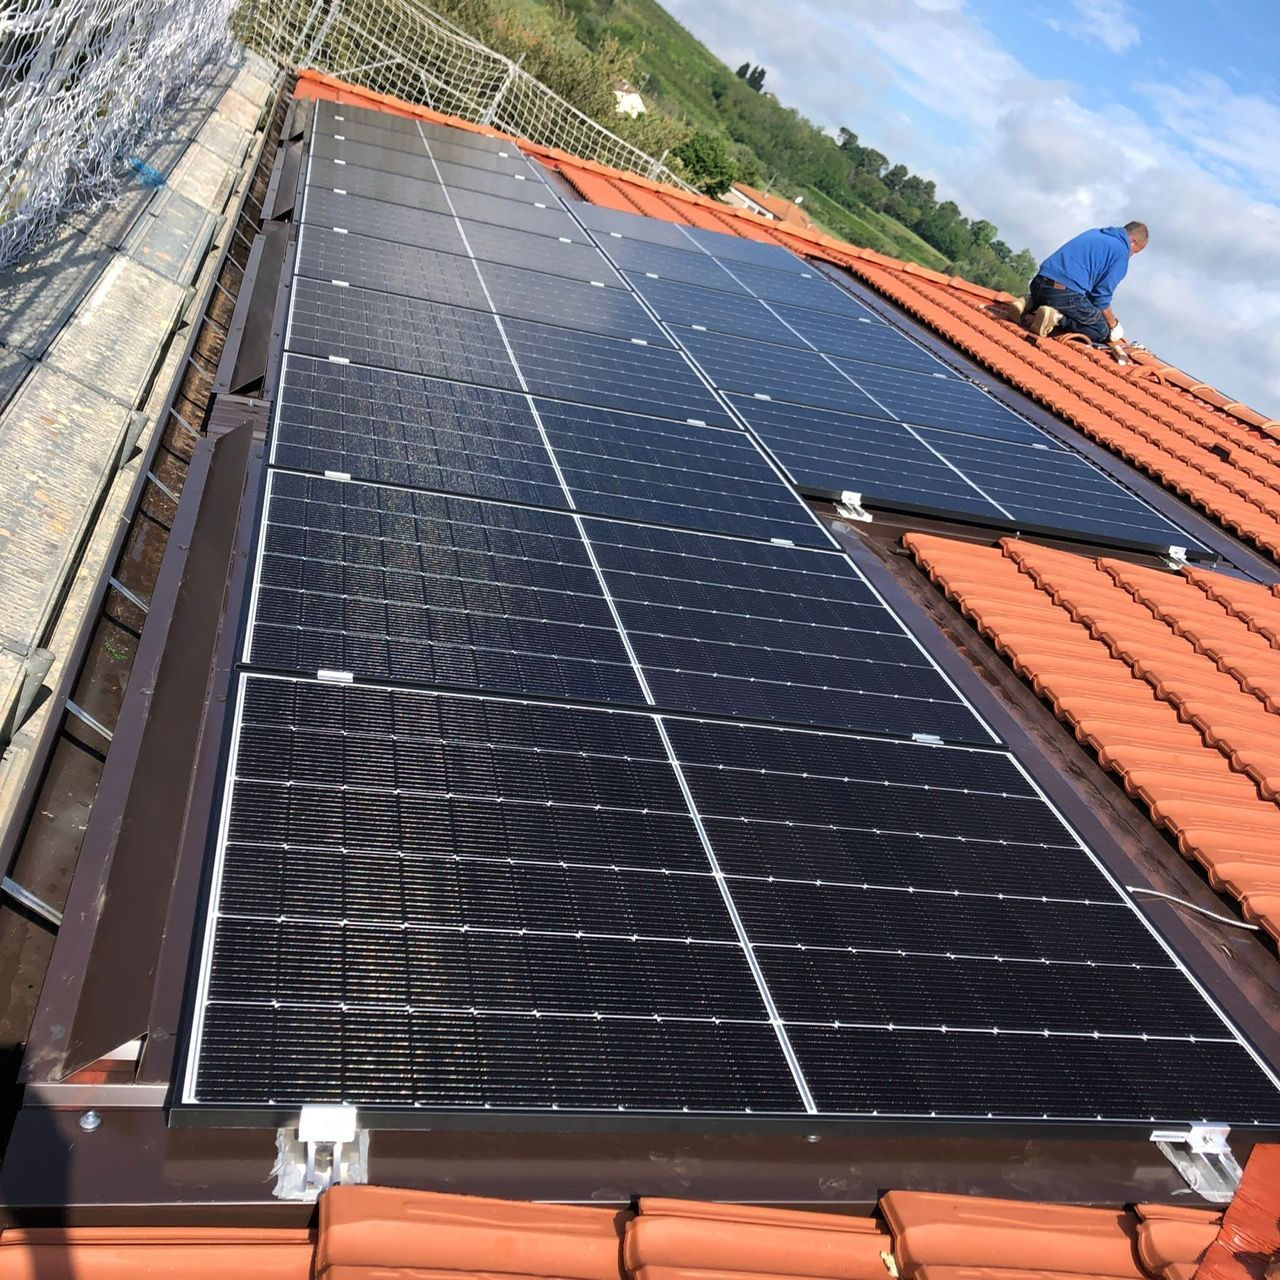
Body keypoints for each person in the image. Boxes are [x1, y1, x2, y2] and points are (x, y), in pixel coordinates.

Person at [1008, 221, 1148, 343]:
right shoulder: (1121, 253)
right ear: (1133, 241)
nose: (1132, 255)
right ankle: (1056, 318)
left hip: (1038, 284)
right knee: (1100, 330)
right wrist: (1113, 324)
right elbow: (1101, 296)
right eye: (1136, 251)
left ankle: (1029, 303)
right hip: (1063, 293)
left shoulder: (1095, 233)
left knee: (1068, 302)